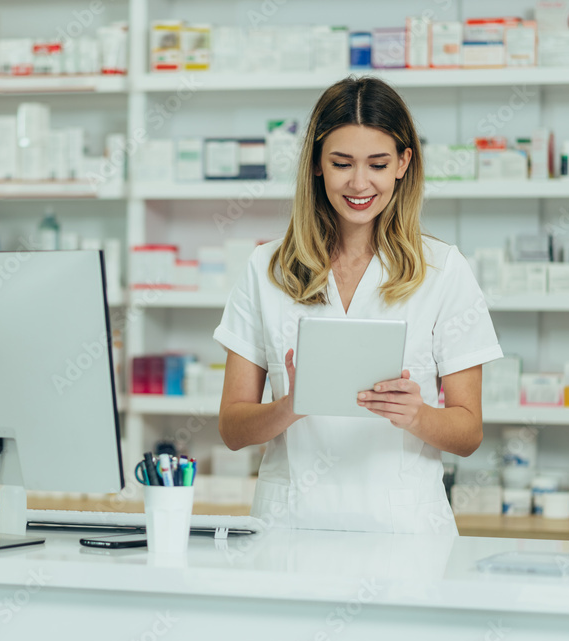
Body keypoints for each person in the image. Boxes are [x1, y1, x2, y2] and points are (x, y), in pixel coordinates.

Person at [213, 77, 503, 535]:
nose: (360, 183)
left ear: (403, 163)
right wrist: (291, 404)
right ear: (315, 165)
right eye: (342, 163)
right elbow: (232, 428)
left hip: (404, 531)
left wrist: (418, 415)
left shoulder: (443, 269)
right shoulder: (266, 268)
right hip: (290, 528)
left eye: (378, 164)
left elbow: (469, 435)